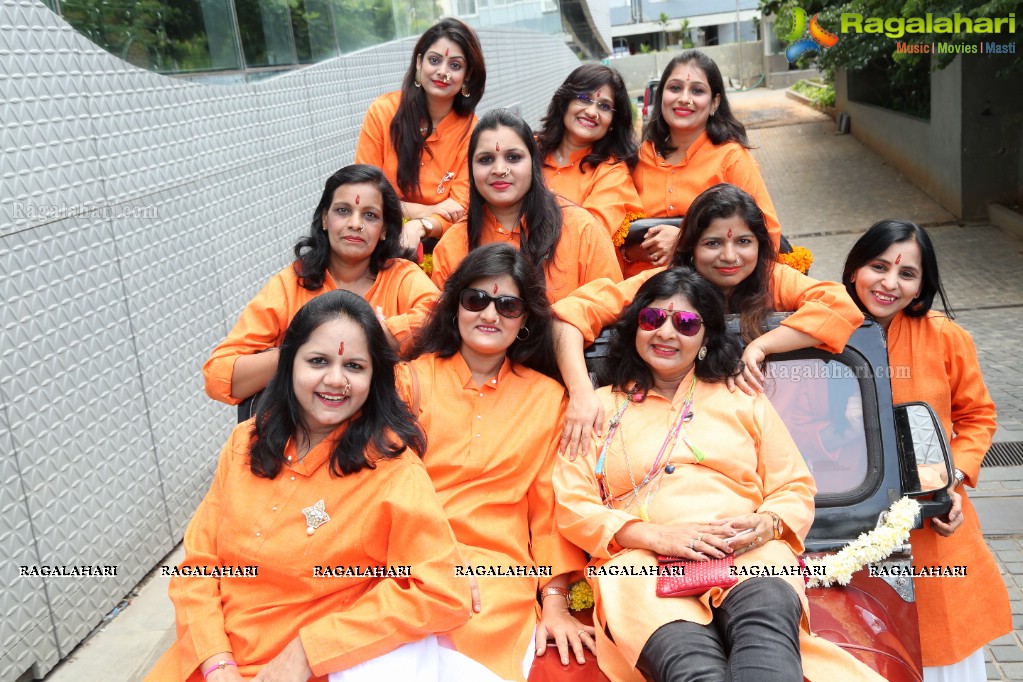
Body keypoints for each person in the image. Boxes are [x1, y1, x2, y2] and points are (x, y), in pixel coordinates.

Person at [553, 268, 884, 682]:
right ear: (636, 327)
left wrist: (767, 524)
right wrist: (651, 536)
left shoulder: (740, 396)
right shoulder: (597, 407)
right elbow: (573, 504)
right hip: (640, 564)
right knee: (692, 669)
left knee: (767, 652)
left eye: (686, 323)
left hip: (748, 551)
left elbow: (793, 485)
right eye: (653, 320)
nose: (666, 333)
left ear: (706, 336)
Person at [148, 290, 478, 682]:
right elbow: (197, 568)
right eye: (318, 361)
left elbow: (444, 590)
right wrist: (217, 662)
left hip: (318, 667)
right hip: (211, 658)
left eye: (354, 366)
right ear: (288, 365)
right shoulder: (247, 442)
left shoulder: (392, 470)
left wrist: (310, 648)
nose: (335, 380)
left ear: (375, 378)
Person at [553, 184, 863, 457]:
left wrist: (760, 346)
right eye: (713, 243)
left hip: (767, 436)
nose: (730, 256)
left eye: (743, 242)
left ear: (759, 245)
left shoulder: (773, 280)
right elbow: (567, 318)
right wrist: (581, 395)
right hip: (671, 437)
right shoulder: (663, 286)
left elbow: (841, 307)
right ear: (690, 249)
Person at [407, 243, 593, 681]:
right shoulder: (410, 381)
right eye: (476, 300)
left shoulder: (547, 400)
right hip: (412, 561)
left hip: (497, 572)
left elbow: (548, 511)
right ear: (455, 307)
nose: (490, 315)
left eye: (508, 305)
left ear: (525, 321)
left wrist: (555, 602)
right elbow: (383, 490)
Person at [842, 219, 1011, 681]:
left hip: (932, 520)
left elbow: (977, 417)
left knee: (943, 652)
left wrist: (951, 479)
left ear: (921, 287)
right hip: (846, 518)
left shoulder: (945, 337)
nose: (889, 283)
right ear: (855, 267)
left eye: (907, 274)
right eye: (879, 266)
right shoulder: (821, 332)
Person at [203, 164, 438, 406]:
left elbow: (440, 317)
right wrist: (301, 351)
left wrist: (379, 334)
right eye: (343, 210)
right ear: (325, 218)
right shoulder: (293, 284)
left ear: (384, 229)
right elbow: (219, 374)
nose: (355, 223)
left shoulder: (401, 277)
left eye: (370, 215)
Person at [431, 109, 622, 303]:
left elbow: (611, 302)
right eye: (485, 159)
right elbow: (444, 323)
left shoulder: (581, 229)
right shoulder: (452, 245)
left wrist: (569, 321)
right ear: (470, 169)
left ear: (534, 162)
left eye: (513, 157)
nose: (499, 170)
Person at [623, 49, 780, 275]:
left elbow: (768, 235)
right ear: (661, 96)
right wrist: (636, 250)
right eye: (675, 88)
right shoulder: (639, 158)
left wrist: (682, 242)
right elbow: (616, 234)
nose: (684, 98)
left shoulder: (731, 159)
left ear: (714, 102)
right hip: (638, 293)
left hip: (710, 294)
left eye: (697, 90)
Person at [355, 18, 486, 250]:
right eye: (434, 61)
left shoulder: (473, 132)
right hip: (376, 239)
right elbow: (364, 192)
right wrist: (425, 210)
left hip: (442, 246)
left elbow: (459, 208)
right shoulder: (384, 112)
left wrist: (421, 224)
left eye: (455, 65)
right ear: (419, 63)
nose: (443, 72)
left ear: (467, 75)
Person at [536, 64, 643, 261]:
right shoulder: (528, 150)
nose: (592, 112)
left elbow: (589, 236)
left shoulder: (612, 173)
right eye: (584, 98)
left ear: (613, 121)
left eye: (604, 106)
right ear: (565, 102)